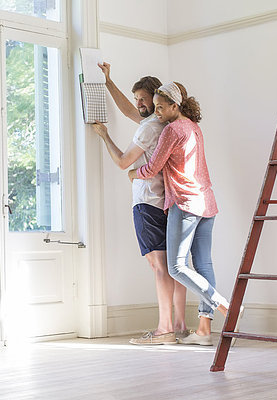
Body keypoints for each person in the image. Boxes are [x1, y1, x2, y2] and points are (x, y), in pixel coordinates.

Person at [92, 62, 188, 345]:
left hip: (147, 202)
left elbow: (123, 162)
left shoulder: (148, 129)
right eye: (138, 100)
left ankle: (164, 329)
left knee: (159, 266)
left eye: (143, 100)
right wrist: (109, 81)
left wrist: (105, 135)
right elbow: (127, 110)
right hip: (167, 201)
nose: (139, 105)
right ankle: (179, 325)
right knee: (173, 266)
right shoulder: (165, 124)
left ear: (156, 100)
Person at [128, 82, 230, 346]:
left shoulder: (172, 130)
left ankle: (222, 304)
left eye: (161, 107)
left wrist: (132, 174)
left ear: (175, 106)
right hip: (207, 202)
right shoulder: (194, 127)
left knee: (175, 267)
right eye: (156, 108)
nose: (157, 113)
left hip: (184, 204)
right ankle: (205, 332)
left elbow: (152, 167)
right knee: (204, 264)